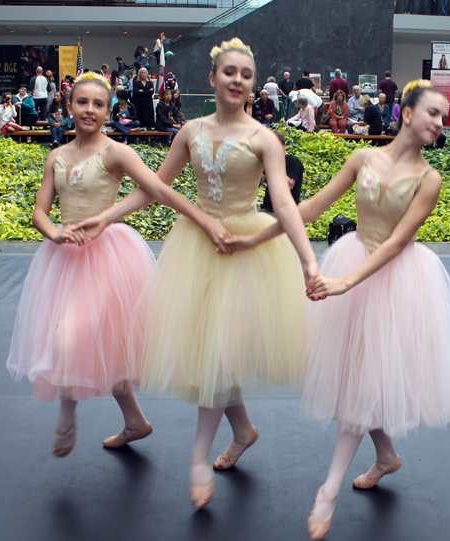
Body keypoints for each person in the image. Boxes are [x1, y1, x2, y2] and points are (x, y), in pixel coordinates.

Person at [73, 37, 319, 509]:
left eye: (246, 74)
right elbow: (155, 188)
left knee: (218, 355)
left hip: (245, 252)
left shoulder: (264, 138)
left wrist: (308, 260)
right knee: (214, 353)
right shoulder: (189, 131)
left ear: (254, 83)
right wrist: (106, 215)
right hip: (196, 248)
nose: (238, 81)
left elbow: (284, 201)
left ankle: (199, 457)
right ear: (211, 78)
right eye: (229, 72)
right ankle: (242, 430)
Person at [225, 80, 450, 540]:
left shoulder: (430, 178)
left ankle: (328, 492)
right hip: (355, 265)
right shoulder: (362, 159)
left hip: (397, 280)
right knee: (363, 380)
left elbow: (398, 242)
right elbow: (312, 209)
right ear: (405, 112)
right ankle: (386, 456)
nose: (441, 124)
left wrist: (344, 282)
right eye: (434, 113)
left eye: (444, 117)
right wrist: (253, 237)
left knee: (362, 385)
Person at [6, 71, 233, 460]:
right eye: (82, 102)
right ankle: (135, 422)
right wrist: (55, 233)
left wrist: (204, 219)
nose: (90, 110)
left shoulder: (115, 152)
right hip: (63, 259)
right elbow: (40, 212)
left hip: (107, 258)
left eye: (98, 103)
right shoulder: (56, 157)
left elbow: (158, 188)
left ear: (108, 108)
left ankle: (67, 413)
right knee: (105, 347)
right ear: (68, 104)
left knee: (70, 339)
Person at [260, 129, 304, 213]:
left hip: (284, 211)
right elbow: (262, 179)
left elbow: (289, 185)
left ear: (283, 144)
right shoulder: (270, 160)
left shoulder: (293, 161)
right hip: (267, 208)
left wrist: (275, 163)